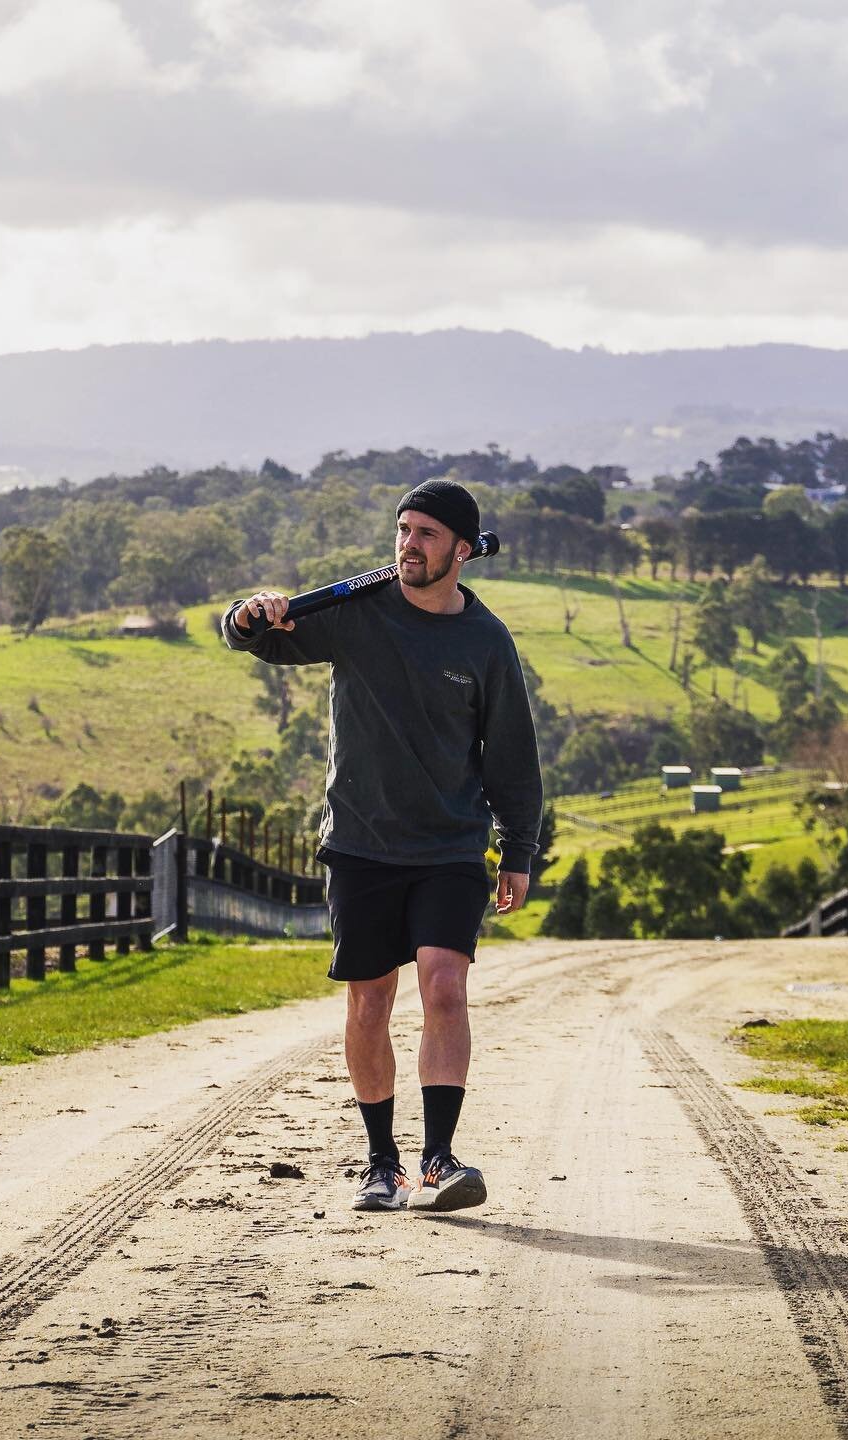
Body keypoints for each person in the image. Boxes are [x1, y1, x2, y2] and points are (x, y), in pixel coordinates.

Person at [222, 479, 542, 1213]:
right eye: (402, 530)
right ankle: (382, 1163)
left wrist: (516, 850)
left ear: (462, 550)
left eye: (426, 534)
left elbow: (512, 758)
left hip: (451, 847)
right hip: (362, 841)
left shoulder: (485, 642)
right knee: (369, 1000)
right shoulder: (355, 616)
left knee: (444, 984)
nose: (408, 544)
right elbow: (259, 642)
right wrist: (247, 615)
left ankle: (438, 1158)